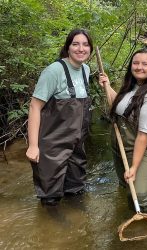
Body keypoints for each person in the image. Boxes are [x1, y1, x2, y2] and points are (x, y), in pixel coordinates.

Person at [26, 29, 93, 206]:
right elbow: (34, 106)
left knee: (76, 190)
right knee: (50, 197)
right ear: (68, 47)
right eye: (75, 44)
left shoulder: (86, 70)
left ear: (91, 49)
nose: (81, 49)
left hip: (76, 145)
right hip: (53, 146)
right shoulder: (54, 71)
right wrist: (33, 146)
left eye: (86, 45)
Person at [98, 48, 147, 212]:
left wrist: (134, 168)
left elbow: (143, 136)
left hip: (145, 149)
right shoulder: (131, 87)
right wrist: (107, 86)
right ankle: (128, 215)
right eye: (136, 63)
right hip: (122, 146)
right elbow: (120, 106)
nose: (139, 67)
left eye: (145, 64)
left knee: (140, 195)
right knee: (125, 187)